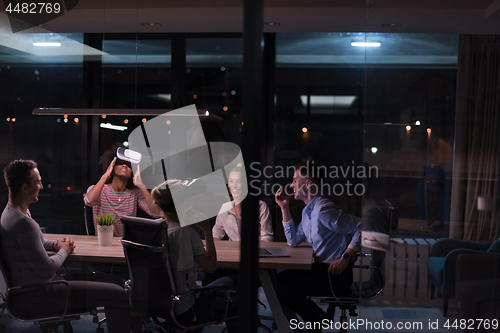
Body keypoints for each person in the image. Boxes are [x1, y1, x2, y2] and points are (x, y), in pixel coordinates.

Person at [1, 160, 131, 333]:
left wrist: (55, 244)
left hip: (38, 288)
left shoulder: (13, 213)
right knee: (117, 293)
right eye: (38, 182)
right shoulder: (23, 223)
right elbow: (47, 268)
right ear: (25, 188)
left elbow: (34, 244)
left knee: (113, 281)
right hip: (40, 295)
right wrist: (64, 250)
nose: (41, 185)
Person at [274, 163, 362, 332]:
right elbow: (293, 241)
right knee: (276, 281)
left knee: (285, 291)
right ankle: (314, 320)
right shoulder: (308, 210)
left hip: (336, 275)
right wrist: (284, 207)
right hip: (322, 269)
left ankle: (317, 320)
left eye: (294, 180)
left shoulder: (323, 209)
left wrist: (346, 258)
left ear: (307, 184)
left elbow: (361, 225)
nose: (291, 185)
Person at [151, 179, 238, 332]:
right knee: (236, 279)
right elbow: (211, 267)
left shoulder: (154, 229)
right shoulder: (185, 232)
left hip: (159, 303)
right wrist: (207, 231)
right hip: (186, 307)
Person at [84, 144, 161, 237]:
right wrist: (105, 175)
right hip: (103, 243)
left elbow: (156, 213)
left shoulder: (135, 193)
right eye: (120, 163)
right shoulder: (98, 189)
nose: (125, 165)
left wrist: (141, 185)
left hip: (126, 244)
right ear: (112, 167)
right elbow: (89, 201)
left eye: (129, 165)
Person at [213, 165, 273, 242]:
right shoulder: (224, 207)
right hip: (231, 251)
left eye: (239, 181)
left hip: (254, 252)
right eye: (231, 181)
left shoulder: (261, 207)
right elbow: (215, 235)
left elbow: (267, 238)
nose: (234, 185)